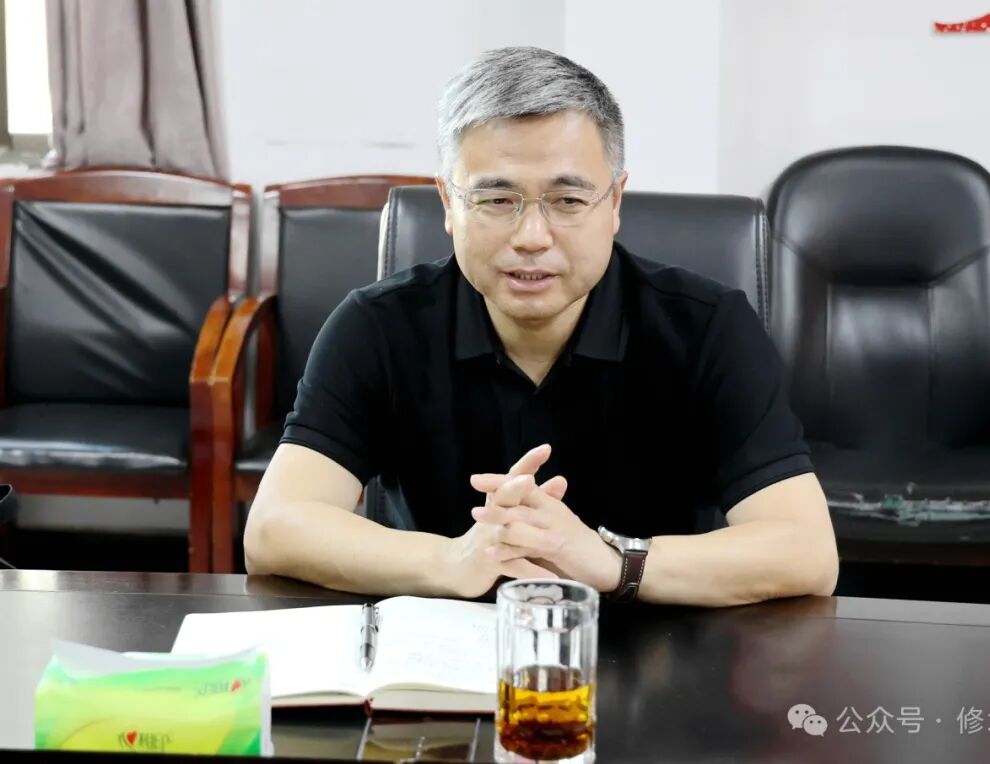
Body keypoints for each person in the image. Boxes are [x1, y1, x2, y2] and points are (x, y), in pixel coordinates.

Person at [244, 46, 838, 607]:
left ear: (615, 202)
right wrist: (453, 560)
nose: (532, 237)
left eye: (568, 201)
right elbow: (274, 528)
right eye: (497, 201)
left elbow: (806, 552)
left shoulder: (708, 328)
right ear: (448, 204)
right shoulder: (376, 327)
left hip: (660, 642)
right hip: (441, 648)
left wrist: (611, 561)